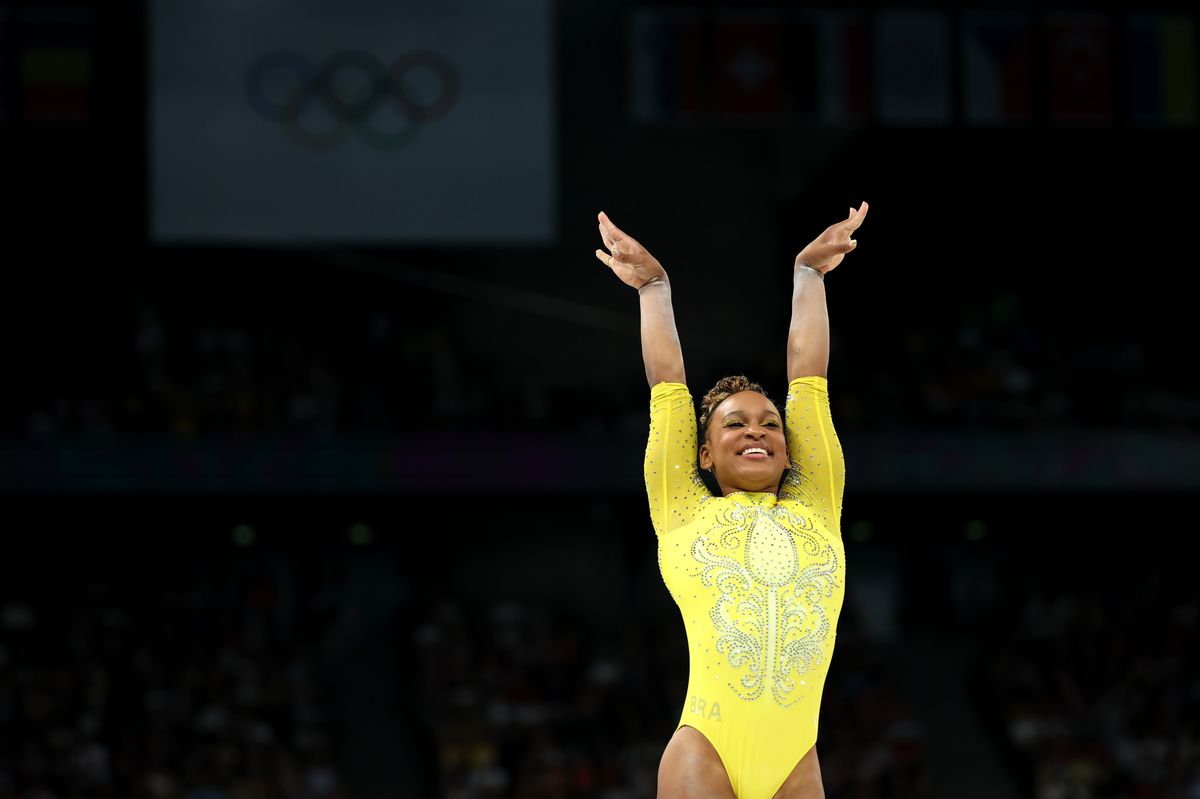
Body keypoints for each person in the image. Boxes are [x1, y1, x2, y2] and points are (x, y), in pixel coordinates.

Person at [594, 201, 868, 798]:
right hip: (707, 752)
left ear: (790, 449)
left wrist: (809, 276)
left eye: (770, 424)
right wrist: (653, 289)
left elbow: (808, 375)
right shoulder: (682, 510)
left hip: (797, 761)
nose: (756, 431)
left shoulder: (816, 505)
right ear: (703, 454)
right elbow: (667, 384)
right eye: (734, 424)